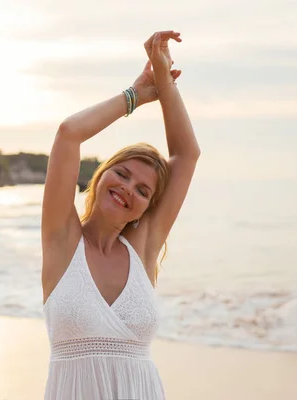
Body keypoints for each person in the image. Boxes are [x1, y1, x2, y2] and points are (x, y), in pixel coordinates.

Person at [41, 30, 200, 399]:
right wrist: (137, 95)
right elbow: (69, 134)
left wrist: (164, 78)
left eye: (143, 190)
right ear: (101, 176)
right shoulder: (62, 241)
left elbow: (186, 156)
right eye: (122, 174)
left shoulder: (142, 249)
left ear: (146, 208)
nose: (129, 188)